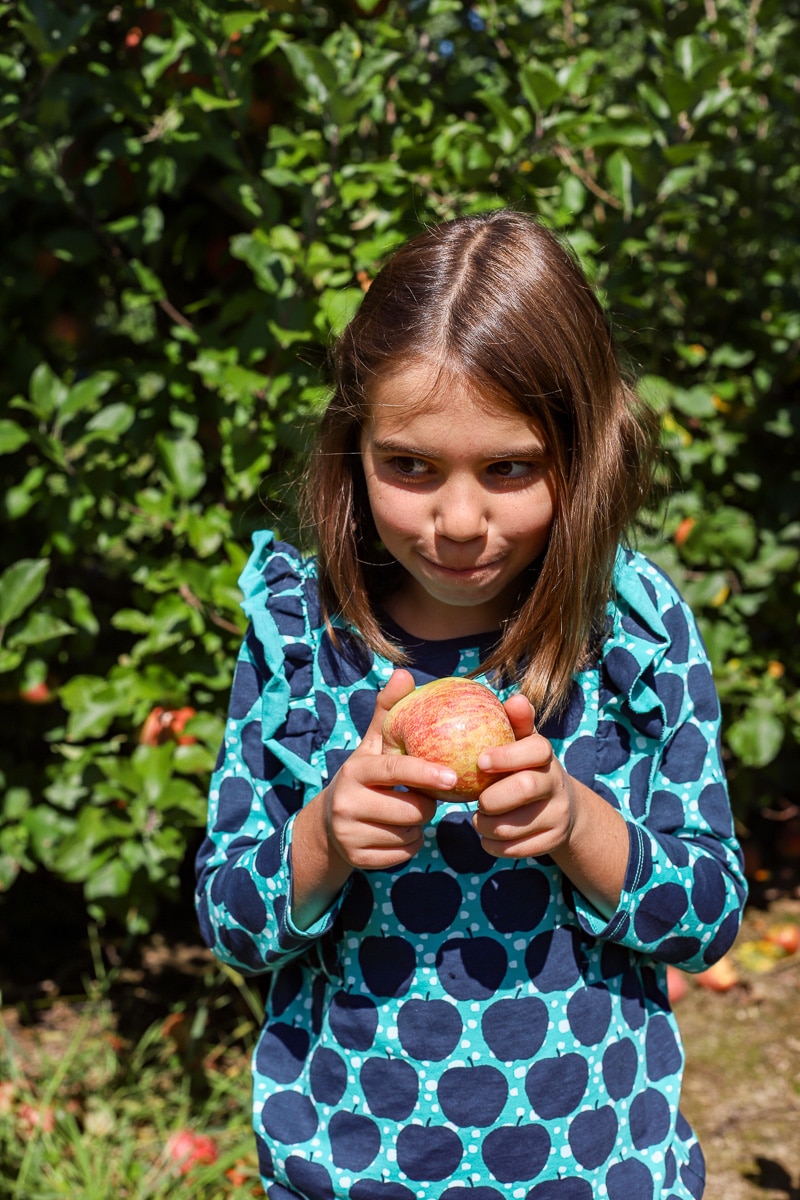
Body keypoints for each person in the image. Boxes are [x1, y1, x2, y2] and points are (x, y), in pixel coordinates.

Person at [195, 209, 747, 1200]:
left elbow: (704, 917)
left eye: (509, 468)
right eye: (407, 467)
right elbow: (230, 919)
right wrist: (323, 836)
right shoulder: (302, 638)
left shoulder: (631, 632)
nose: (457, 522)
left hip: (591, 1167)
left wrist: (576, 823)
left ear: (582, 455)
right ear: (351, 449)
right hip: (349, 1166)